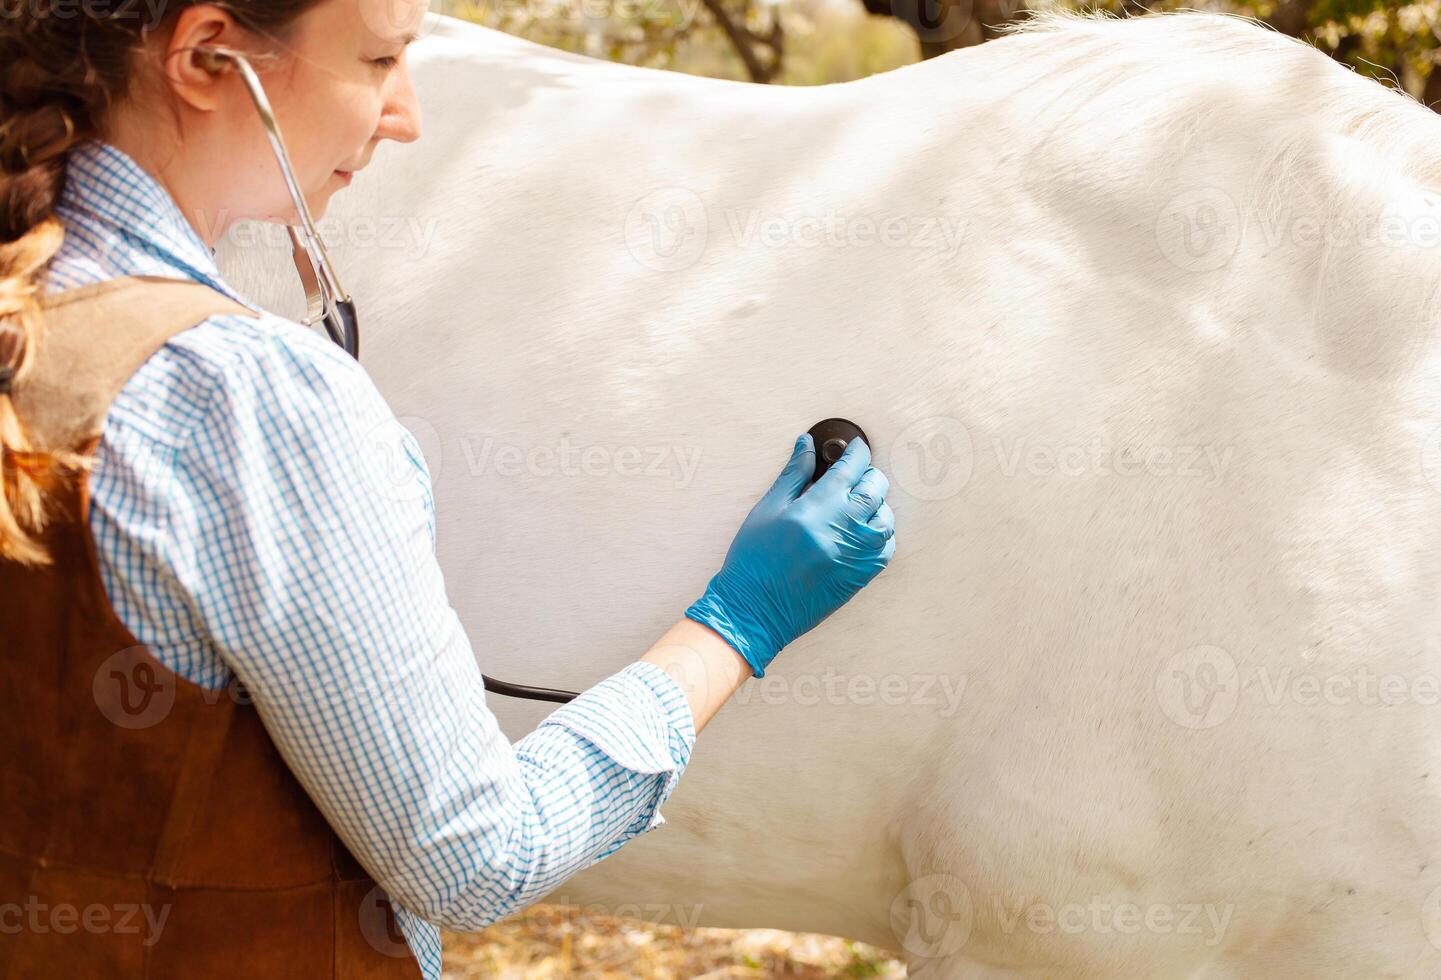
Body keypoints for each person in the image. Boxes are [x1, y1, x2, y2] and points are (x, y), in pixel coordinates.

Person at [0, 0, 897, 975]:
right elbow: (473, 856)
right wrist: (737, 622)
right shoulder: (247, 400)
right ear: (211, 56)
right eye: (380, 59)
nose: (406, 115)